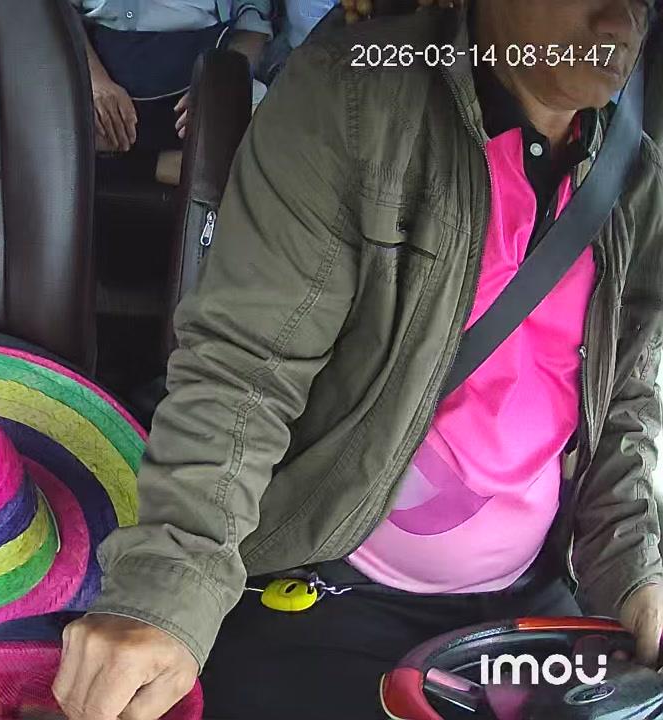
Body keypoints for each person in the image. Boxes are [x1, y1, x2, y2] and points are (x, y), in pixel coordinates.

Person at [54, 1, 663, 718]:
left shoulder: (635, 179)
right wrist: (165, 593)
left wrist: (634, 573)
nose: (621, 18)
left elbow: (624, 404)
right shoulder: (355, 101)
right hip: (332, 587)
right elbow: (246, 370)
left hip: (528, 604)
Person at [70, 0, 274, 179]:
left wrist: (219, 85)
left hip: (202, 64)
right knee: (67, 135)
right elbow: (57, 13)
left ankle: (163, 166)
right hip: (89, 57)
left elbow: (252, 20)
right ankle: (164, 166)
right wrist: (93, 79)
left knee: (258, 138)